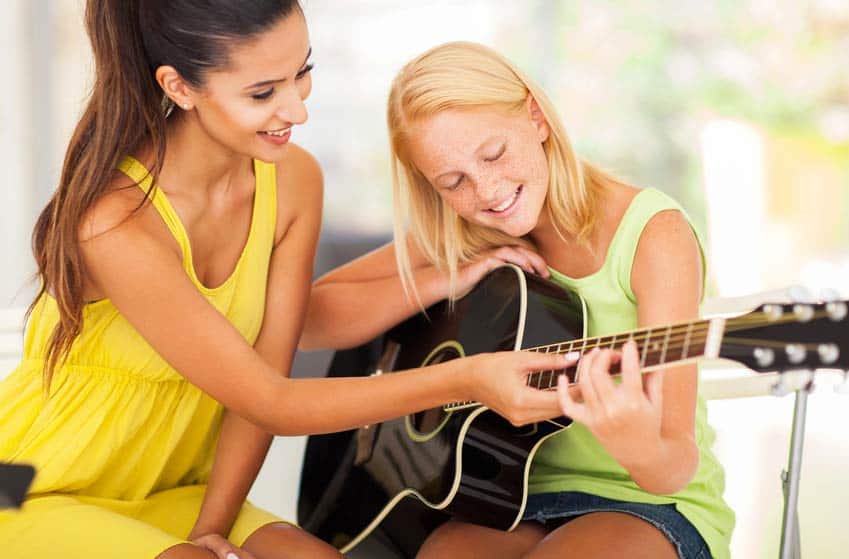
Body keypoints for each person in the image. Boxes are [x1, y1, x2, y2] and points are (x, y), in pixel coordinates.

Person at [0, 6, 576, 559]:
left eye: (302, 73)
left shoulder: (292, 181)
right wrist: (471, 379)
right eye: (261, 93)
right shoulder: (115, 223)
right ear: (179, 87)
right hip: (32, 490)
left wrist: (212, 529)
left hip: (174, 490)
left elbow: (270, 371)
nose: (297, 111)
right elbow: (273, 401)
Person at [303, 41, 735, 559]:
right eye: (453, 181)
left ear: (536, 118)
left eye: (494, 154)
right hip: (512, 499)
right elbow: (309, 320)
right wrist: (450, 278)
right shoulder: (462, 231)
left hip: (649, 504)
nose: (487, 191)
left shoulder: (652, 235)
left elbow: (673, 467)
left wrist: (632, 439)